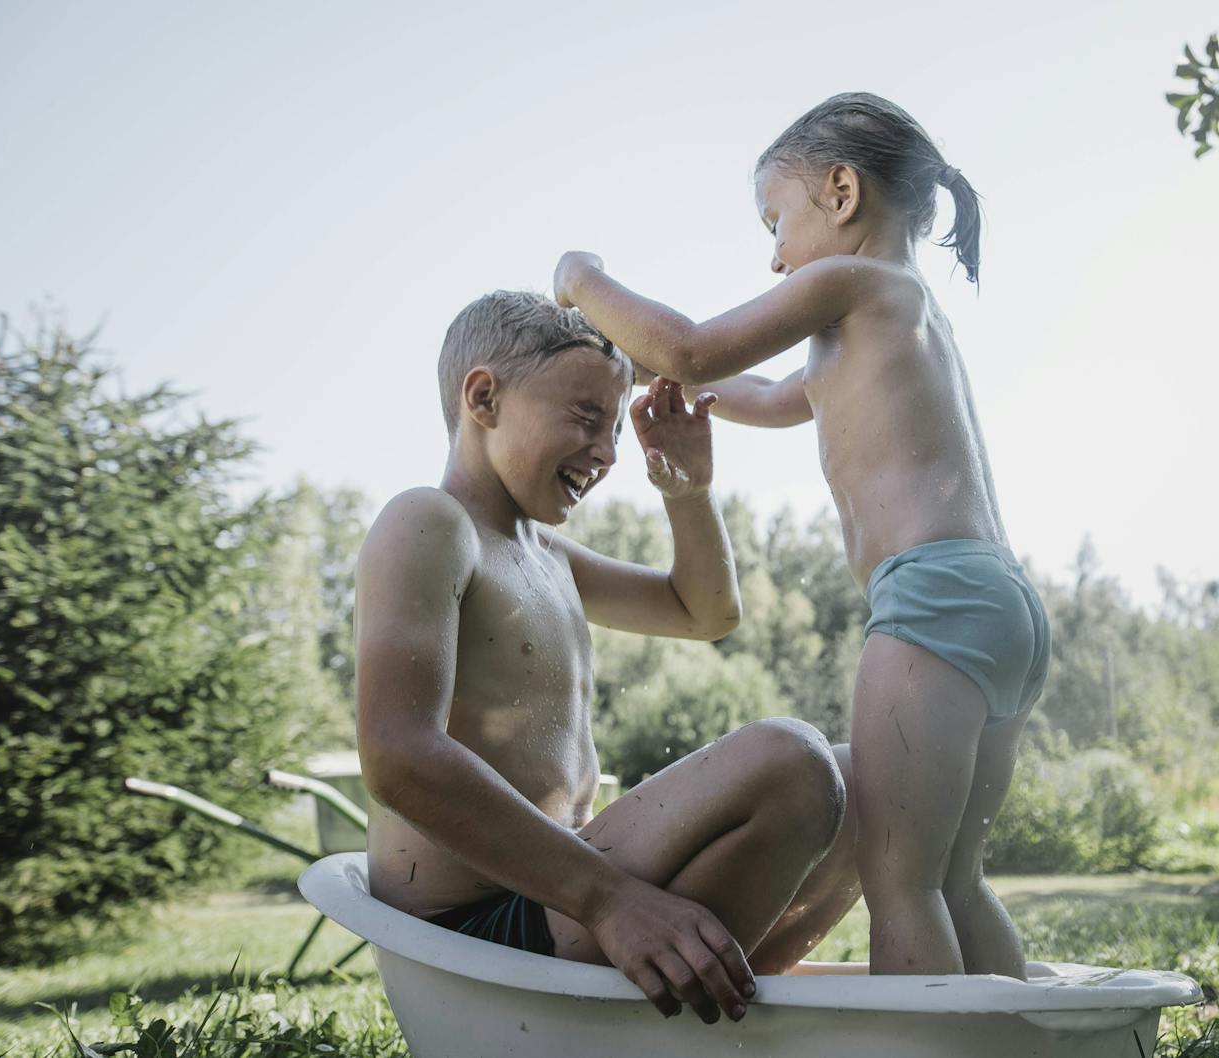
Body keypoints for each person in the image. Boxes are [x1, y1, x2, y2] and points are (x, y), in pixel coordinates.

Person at [553, 92, 1049, 978]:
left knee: (902, 885)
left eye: (776, 220)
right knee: (955, 882)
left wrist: (581, 279)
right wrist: (664, 387)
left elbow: (698, 350)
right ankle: (1026, 1041)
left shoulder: (850, 283)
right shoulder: (895, 316)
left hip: (930, 598)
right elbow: (756, 394)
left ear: (842, 192)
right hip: (999, 606)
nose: (774, 255)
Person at [354, 290, 853, 1025]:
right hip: (489, 939)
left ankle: (722, 1007)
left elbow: (704, 611)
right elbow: (396, 753)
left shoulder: (546, 555)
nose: (608, 453)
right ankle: (683, 1013)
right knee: (792, 762)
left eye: (616, 428)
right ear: (483, 398)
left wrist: (690, 488)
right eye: (587, 419)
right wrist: (610, 899)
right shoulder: (429, 523)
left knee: (860, 783)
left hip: (567, 899)